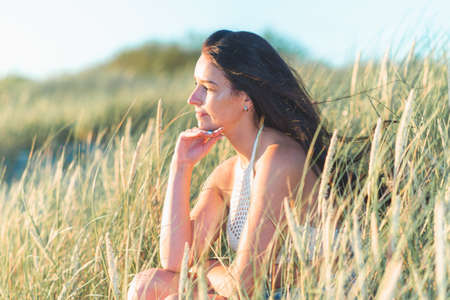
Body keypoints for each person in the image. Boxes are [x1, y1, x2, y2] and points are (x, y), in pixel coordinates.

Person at [127, 29, 332, 300]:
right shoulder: (228, 172)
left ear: (246, 98)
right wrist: (181, 167)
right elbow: (176, 261)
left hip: (318, 293)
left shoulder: (279, 159)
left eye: (208, 88)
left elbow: (244, 286)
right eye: (196, 85)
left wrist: (208, 266)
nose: (193, 98)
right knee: (147, 284)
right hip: (262, 292)